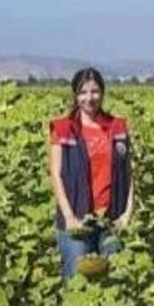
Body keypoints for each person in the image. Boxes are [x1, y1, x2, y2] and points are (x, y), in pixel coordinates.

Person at [47, 67, 133, 281]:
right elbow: (56, 174)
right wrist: (69, 217)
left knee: (115, 279)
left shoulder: (117, 127)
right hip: (77, 218)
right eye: (83, 92)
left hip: (111, 219)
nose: (89, 98)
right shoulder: (63, 128)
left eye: (94, 91)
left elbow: (129, 172)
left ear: (102, 93)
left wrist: (128, 213)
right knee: (77, 283)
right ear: (75, 95)